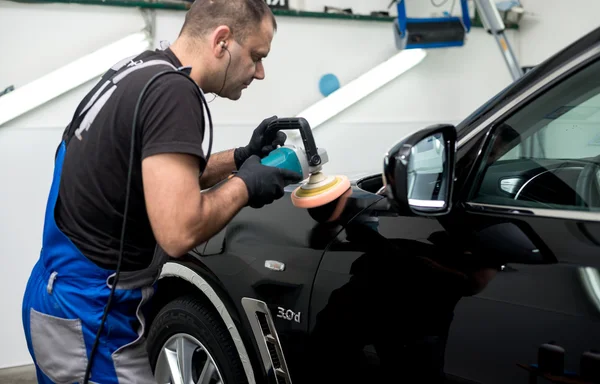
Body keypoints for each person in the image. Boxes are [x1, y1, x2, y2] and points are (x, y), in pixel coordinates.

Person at [21, 1, 302, 383]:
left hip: (59, 294)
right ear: (222, 41)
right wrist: (246, 186)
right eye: (256, 56)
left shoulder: (141, 71)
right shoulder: (175, 94)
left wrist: (241, 159)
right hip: (89, 315)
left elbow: (160, 181)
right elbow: (178, 230)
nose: (260, 72)